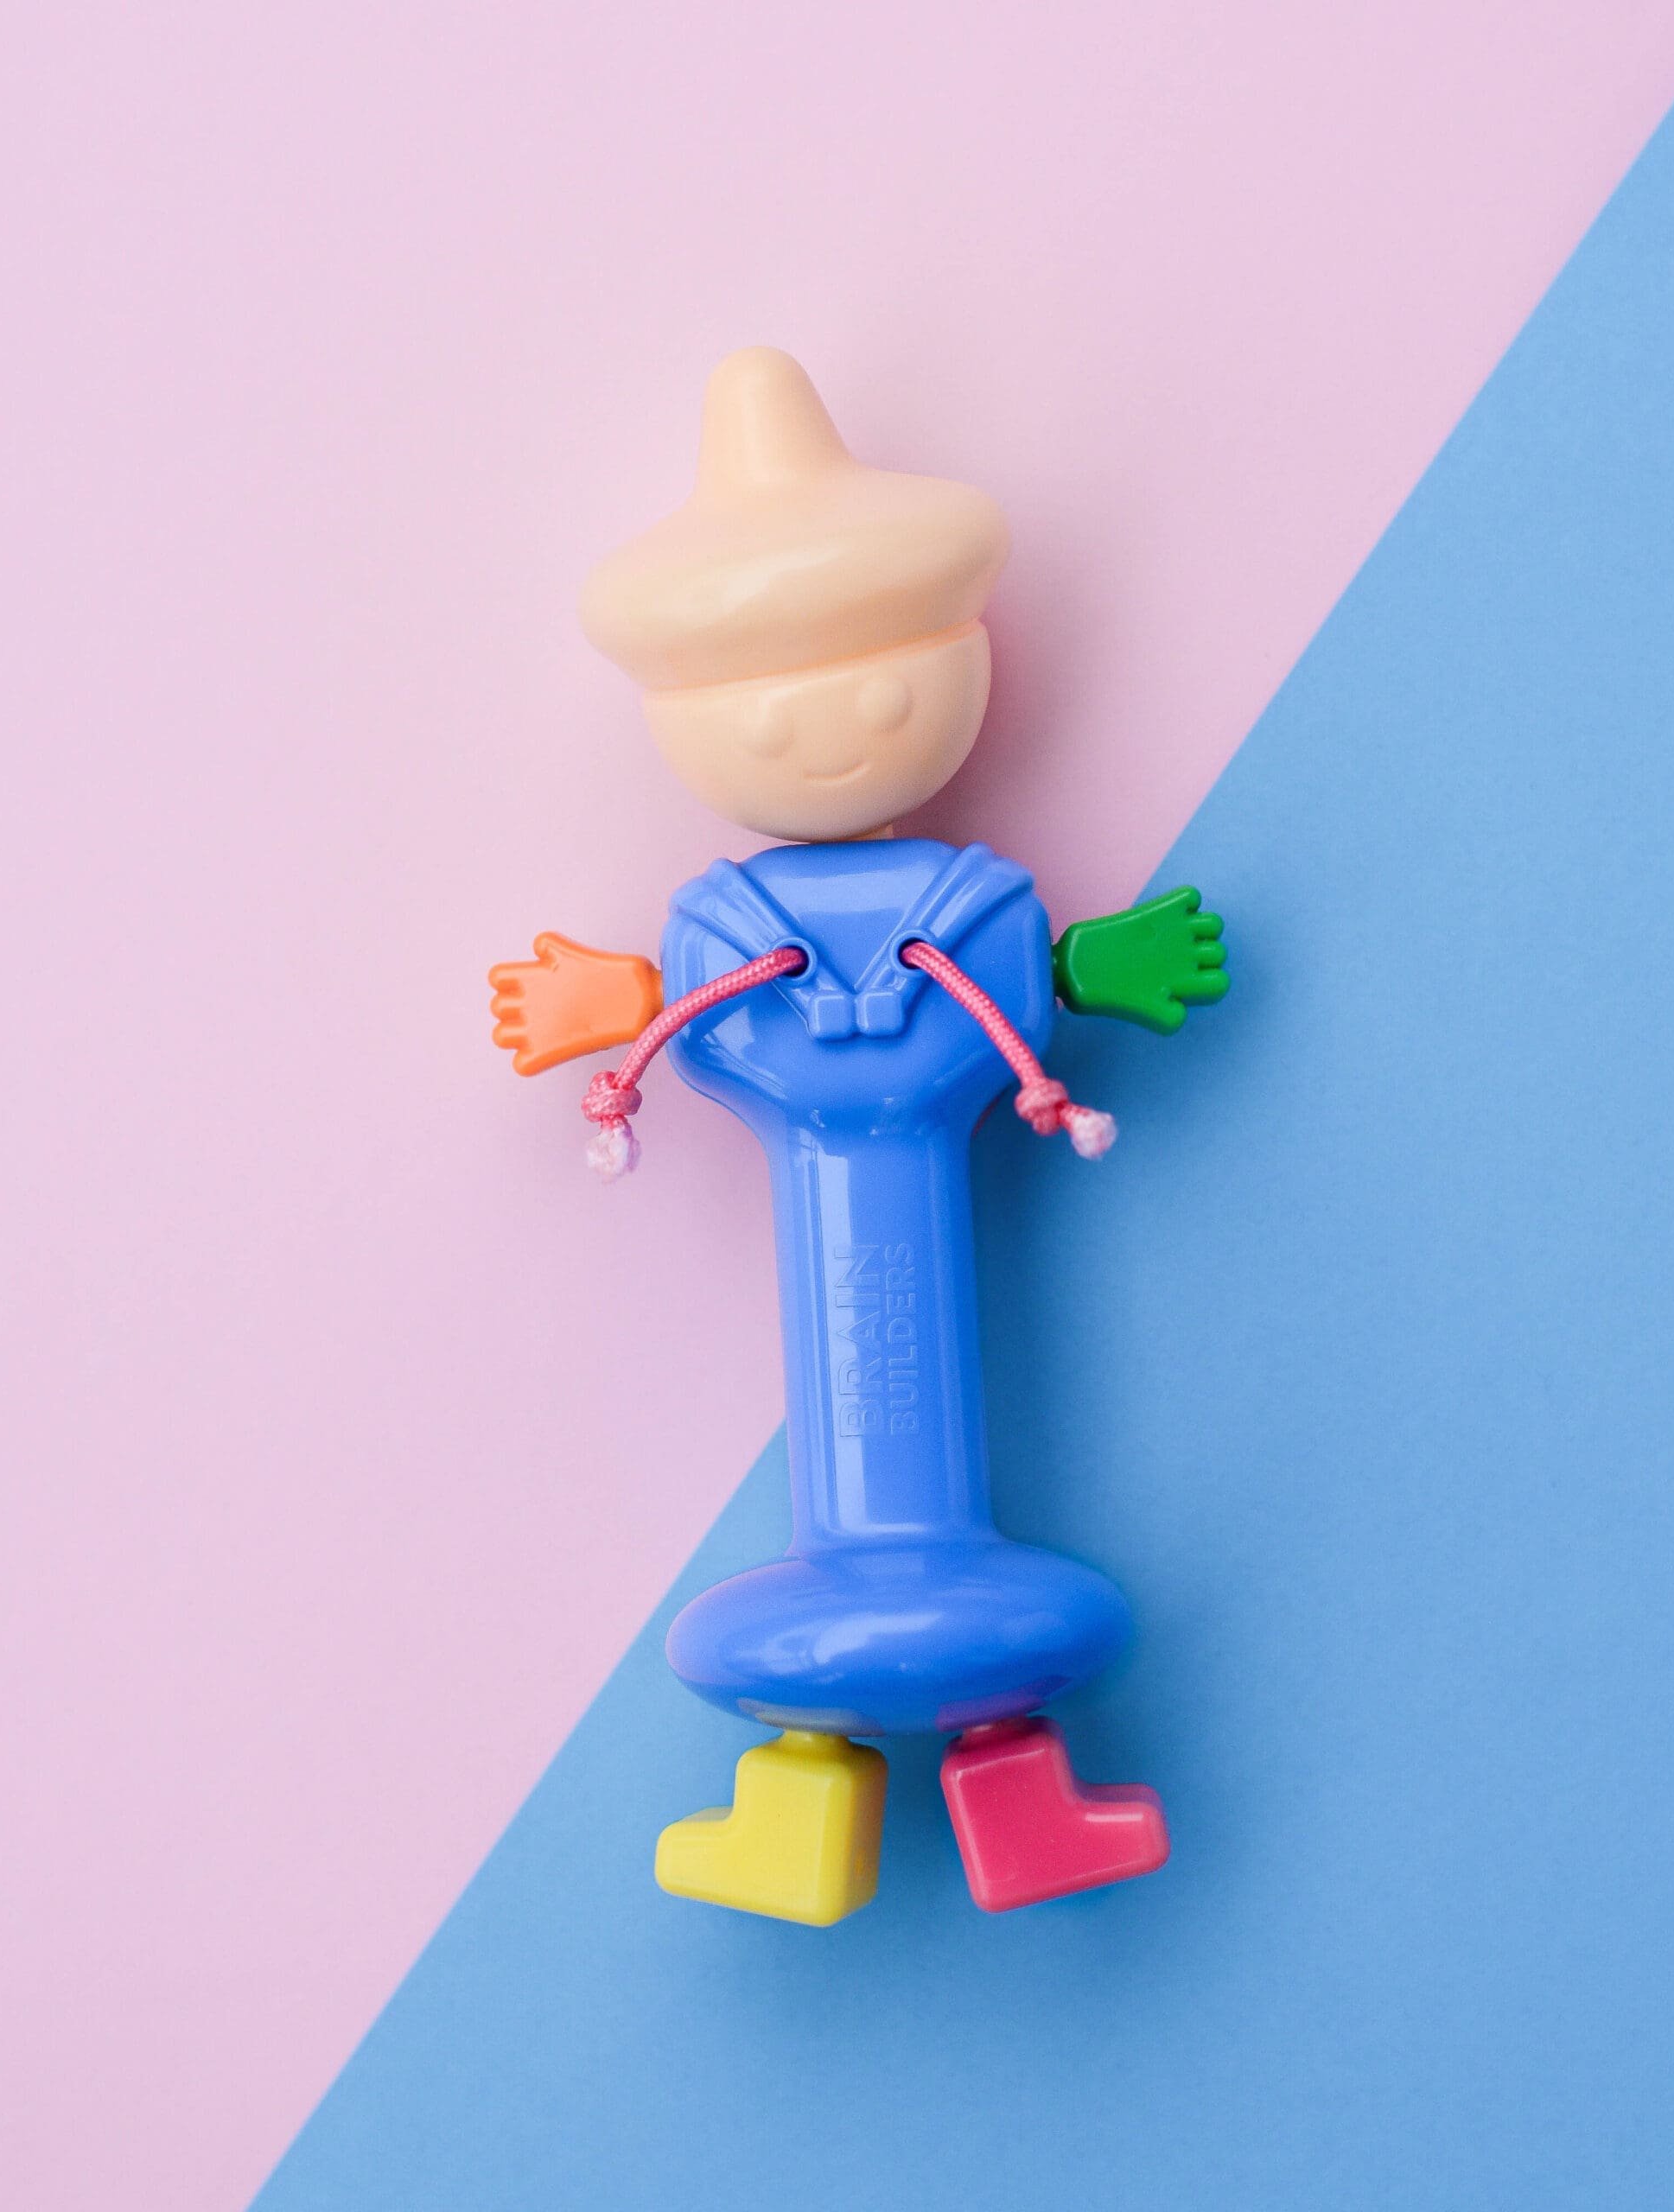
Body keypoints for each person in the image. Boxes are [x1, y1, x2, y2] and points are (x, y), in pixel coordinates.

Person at [491, 349, 1229, 1922]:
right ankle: (800, 1827)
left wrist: (1116, 964)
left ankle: (1011, 1822)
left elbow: (1036, 981)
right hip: (842, 1264)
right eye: (768, 712)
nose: (831, 737)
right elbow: (682, 1011)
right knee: (834, 1651)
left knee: (956, 1640)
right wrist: (597, 1004)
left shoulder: (965, 907)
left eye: (884, 691)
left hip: (920, 1267)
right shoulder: (732, 928)